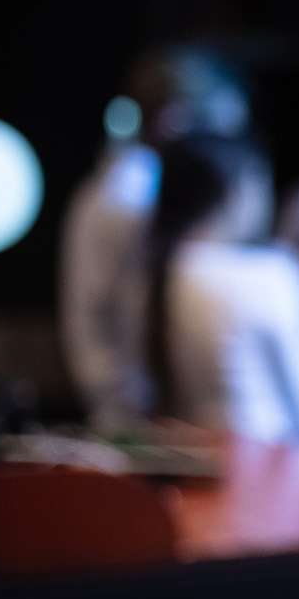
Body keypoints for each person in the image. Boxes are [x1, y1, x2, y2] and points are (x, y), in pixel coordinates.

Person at [59, 48, 252, 432]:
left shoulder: (123, 183)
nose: (220, 156)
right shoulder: (133, 193)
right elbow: (130, 314)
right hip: (135, 418)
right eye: (215, 133)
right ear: (172, 120)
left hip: (134, 411)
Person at [147, 135, 299, 443]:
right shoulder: (266, 275)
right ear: (232, 194)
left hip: (196, 446)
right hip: (265, 458)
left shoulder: (170, 266)